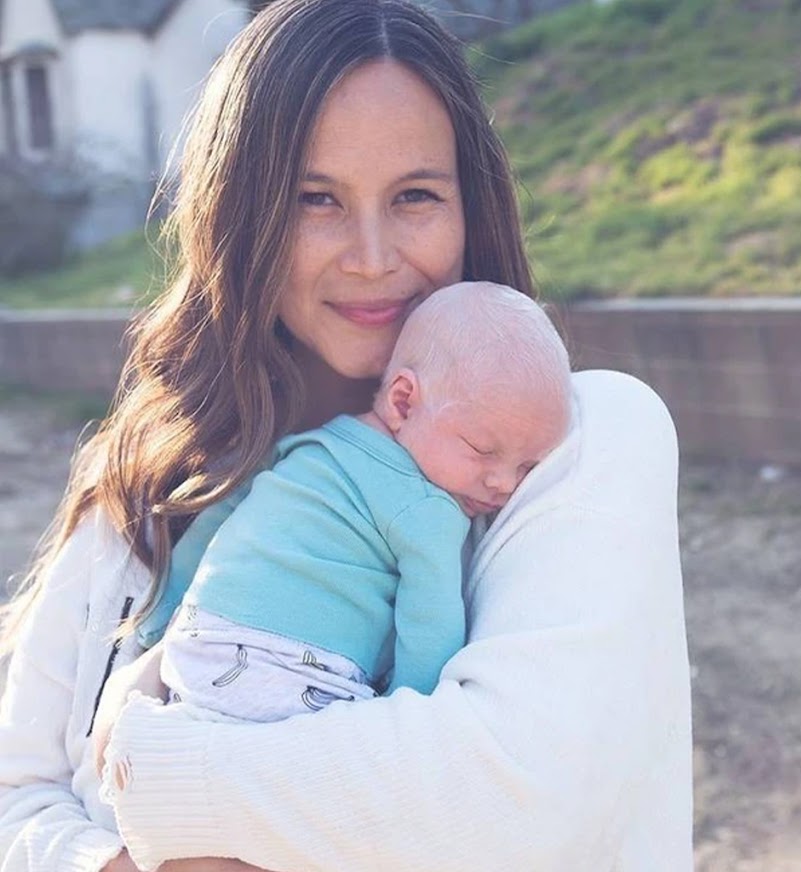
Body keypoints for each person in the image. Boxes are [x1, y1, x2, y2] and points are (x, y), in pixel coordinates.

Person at [0, 1, 693, 870]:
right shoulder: (148, 482)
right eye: (314, 198)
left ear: (471, 208)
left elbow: (508, 801)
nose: (371, 255)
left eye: (415, 197)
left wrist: (154, 772)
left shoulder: (584, 446)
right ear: (239, 219)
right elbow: (18, 793)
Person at [152, 281, 571, 722]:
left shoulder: (307, 446)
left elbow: (218, 512)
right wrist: (408, 716)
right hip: (298, 678)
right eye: (483, 450)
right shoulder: (429, 509)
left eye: (527, 467)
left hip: (197, 648)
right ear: (404, 402)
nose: (504, 484)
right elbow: (431, 627)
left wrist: (165, 607)